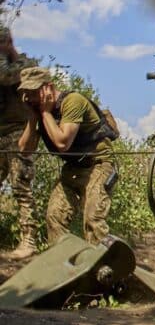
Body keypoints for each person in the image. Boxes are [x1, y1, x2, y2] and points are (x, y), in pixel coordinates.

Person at [17, 67, 118, 245]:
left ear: (48, 87)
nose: (29, 98)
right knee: (54, 217)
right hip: (73, 169)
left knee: (93, 220)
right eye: (26, 93)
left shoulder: (72, 101)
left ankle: (103, 268)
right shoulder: (39, 112)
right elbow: (24, 150)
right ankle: (65, 266)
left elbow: (63, 143)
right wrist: (33, 118)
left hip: (98, 165)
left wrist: (46, 112)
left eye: (33, 92)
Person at [0, 26, 38, 258]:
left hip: (17, 133)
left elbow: (6, 76)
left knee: (21, 186)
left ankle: (29, 240)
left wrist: (11, 54)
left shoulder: (25, 65)